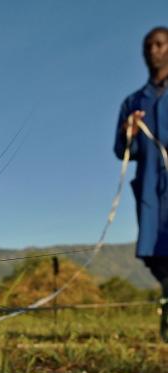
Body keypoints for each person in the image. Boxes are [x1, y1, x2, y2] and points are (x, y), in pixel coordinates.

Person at [114, 26, 168, 340]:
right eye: (149, 45)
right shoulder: (134, 102)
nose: (154, 50)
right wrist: (128, 132)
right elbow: (123, 151)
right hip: (151, 192)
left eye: (160, 44)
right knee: (157, 255)